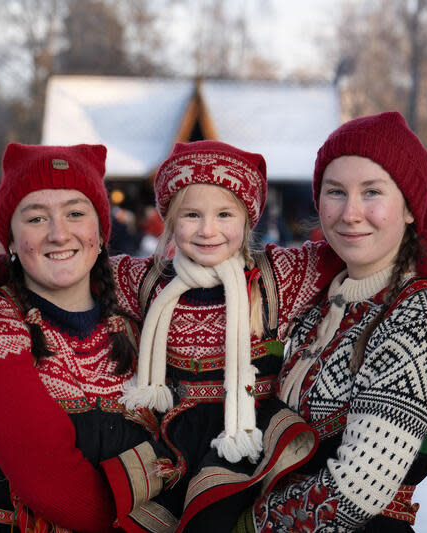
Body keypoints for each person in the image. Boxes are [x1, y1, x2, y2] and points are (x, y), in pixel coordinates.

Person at [235, 111, 427, 532]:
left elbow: (356, 489)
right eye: (335, 192)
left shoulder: (421, 320)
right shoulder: (322, 305)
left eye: (372, 192)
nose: (350, 213)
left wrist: (244, 526)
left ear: (409, 209)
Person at [100, 141, 343, 532]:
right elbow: (80, 269)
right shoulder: (147, 282)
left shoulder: (276, 278)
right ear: (170, 222)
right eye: (191, 215)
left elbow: (354, 247)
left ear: (248, 221)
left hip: (248, 447)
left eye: (225, 214)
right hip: (174, 449)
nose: (208, 230)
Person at [0, 142, 152, 532]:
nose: (59, 234)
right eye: (36, 218)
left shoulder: (132, 310)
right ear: (9, 238)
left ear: (101, 230)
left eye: (76, 213)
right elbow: (55, 486)